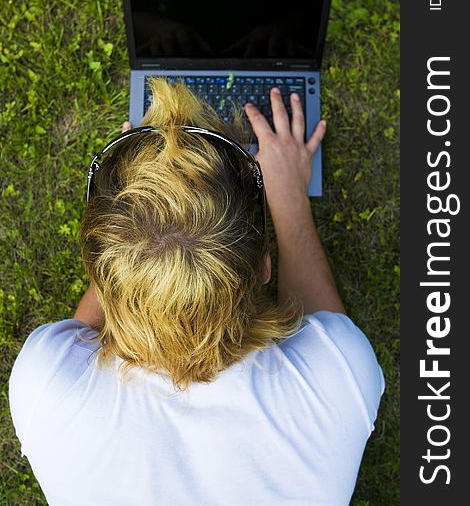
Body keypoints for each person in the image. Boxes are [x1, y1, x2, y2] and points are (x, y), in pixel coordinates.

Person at [9, 78, 385, 505]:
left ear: (98, 269)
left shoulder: (45, 387)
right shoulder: (340, 375)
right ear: (266, 264)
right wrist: (287, 196)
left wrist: (124, 225)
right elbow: (327, 326)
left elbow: (101, 305)